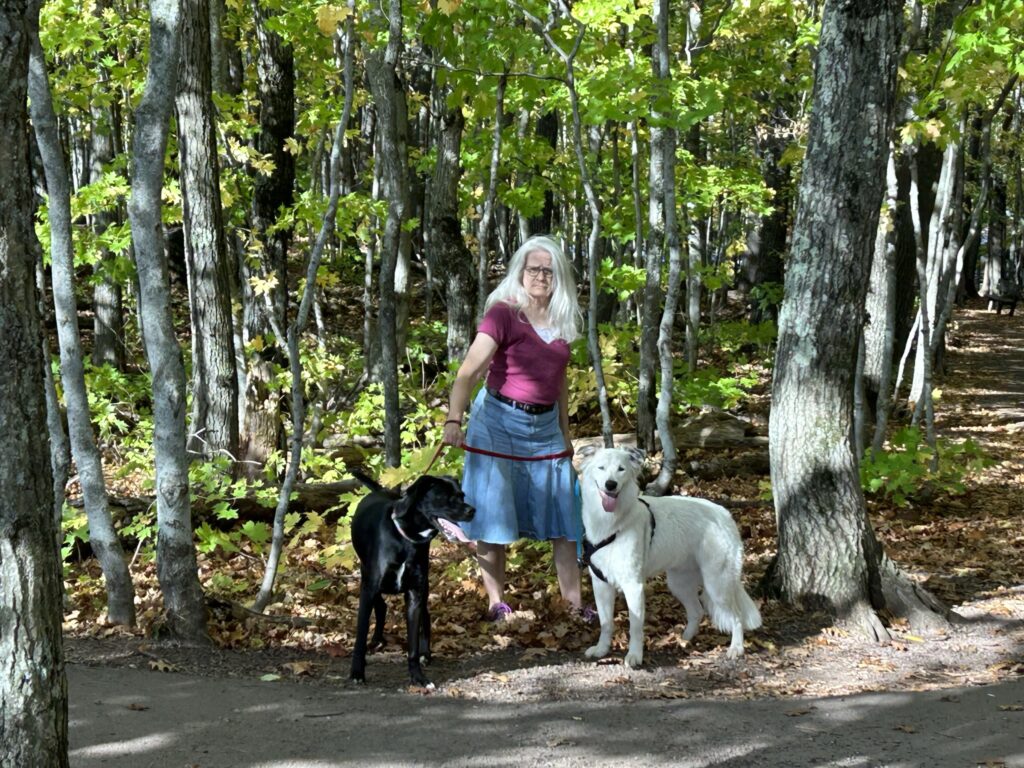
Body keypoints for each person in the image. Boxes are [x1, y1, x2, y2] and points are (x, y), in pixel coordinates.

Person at [441, 235, 591, 622]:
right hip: (497, 423)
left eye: (549, 271)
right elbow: (469, 371)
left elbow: (559, 381)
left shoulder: (561, 318)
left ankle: (573, 606)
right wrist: (454, 419)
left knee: (565, 516)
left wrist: (565, 433)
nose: (541, 276)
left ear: (559, 277)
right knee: (491, 515)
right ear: (520, 272)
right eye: (534, 269)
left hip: (545, 429)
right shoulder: (503, 314)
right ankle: (497, 604)